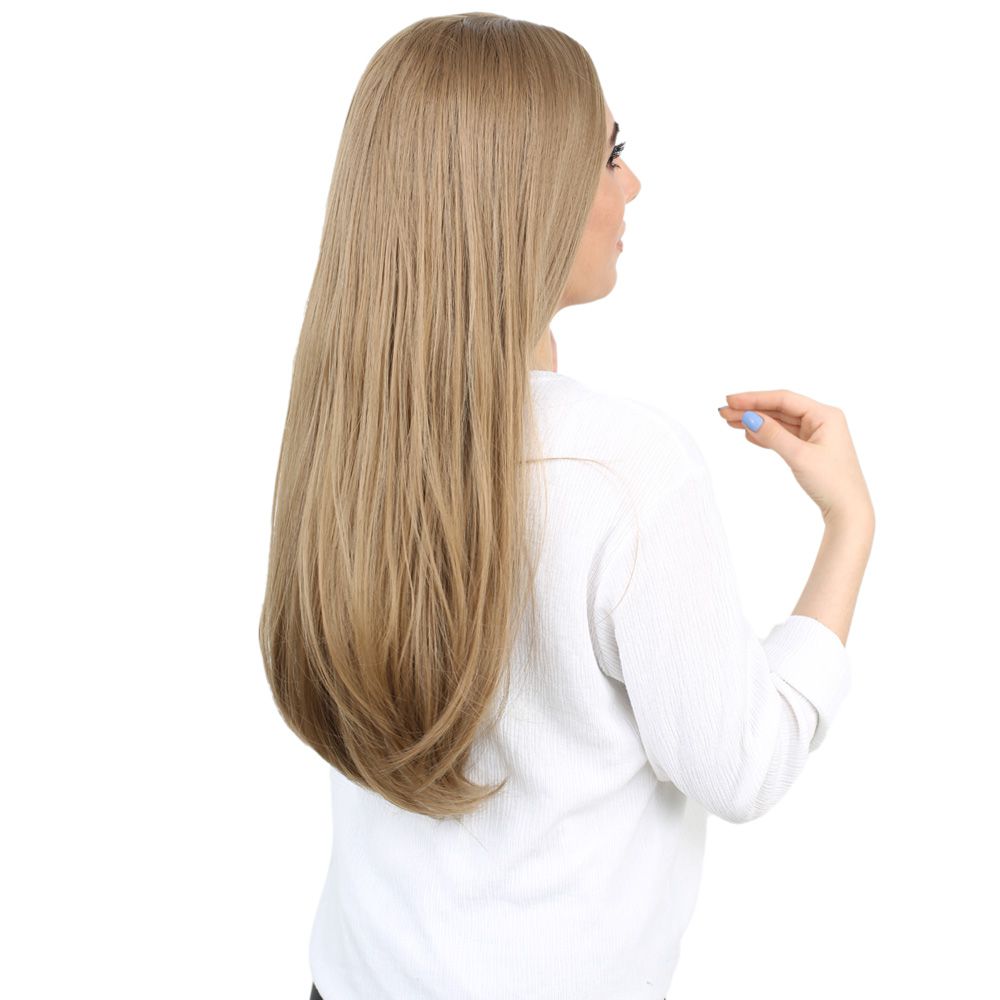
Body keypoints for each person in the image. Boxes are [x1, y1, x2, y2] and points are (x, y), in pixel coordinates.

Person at [257, 13, 875, 1000]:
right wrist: (849, 525)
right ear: (524, 193)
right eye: (609, 154)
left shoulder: (349, 429)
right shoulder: (623, 470)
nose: (633, 185)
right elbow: (743, 766)